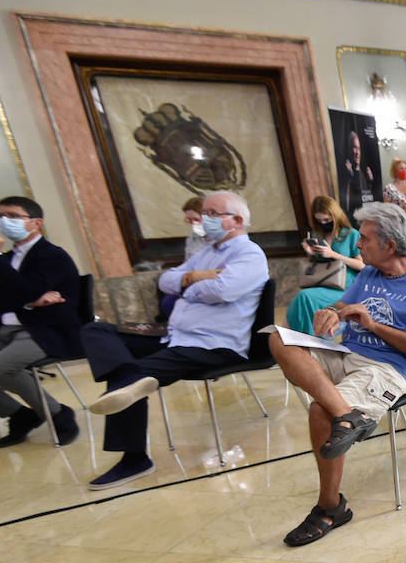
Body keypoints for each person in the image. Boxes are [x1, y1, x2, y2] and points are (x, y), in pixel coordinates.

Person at [272, 202, 406, 546]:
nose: (357, 245)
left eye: (364, 239)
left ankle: (330, 507)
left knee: (318, 410)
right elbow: (342, 304)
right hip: (346, 353)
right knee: (277, 336)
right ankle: (347, 414)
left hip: (391, 369)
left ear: (390, 246)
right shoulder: (369, 274)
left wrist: (373, 324)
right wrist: (331, 312)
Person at [81, 191, 268, 489]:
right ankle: (130, 377)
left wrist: (189, 283)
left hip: (214, 345)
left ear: (237, 220)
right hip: (175, 338)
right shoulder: (205, 253)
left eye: (213, 213)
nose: (205, 219)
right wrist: (195, 276)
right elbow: (164, 281)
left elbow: (221, 291)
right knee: (96, 330)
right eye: (204, 212)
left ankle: (134, 458)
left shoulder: (250, 255)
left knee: (128, 377)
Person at [0, 196, 82, 447]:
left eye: (12, 216)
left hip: (45, 329)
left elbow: (23, 290)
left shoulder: (53, 256)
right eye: (0, 216)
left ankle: (58, 413)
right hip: (6, 329)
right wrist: (28, 300)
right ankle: (20, 415)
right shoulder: (8, 258)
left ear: (36, 223)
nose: (4, 221)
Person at [285, 196, 364, 335]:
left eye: (326, 220)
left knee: (305, 296)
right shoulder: (319, 234)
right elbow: (320, 264)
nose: (323, 223)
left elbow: (362, 265)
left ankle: (307, 338)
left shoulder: (351, 234)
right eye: (319, 220)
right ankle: (300, 337)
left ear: (335, 215)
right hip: (323, 283)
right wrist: (311, 253)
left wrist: (335, 255)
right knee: (303, 299)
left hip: (346, 288)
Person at [340, 130, 375, 218]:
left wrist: (370, 183)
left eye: (359, 148)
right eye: (354, 147)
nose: (357, 152)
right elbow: (346, 206)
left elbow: (365, 197)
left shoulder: (362, 174)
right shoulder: (346, 173)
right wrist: (348, 179)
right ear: (349, 149)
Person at [180, 196, 209, 262]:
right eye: (189, 220)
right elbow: (187, 264)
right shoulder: (192, 239)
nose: (193, 223)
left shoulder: (222, 240)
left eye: (196, 219)